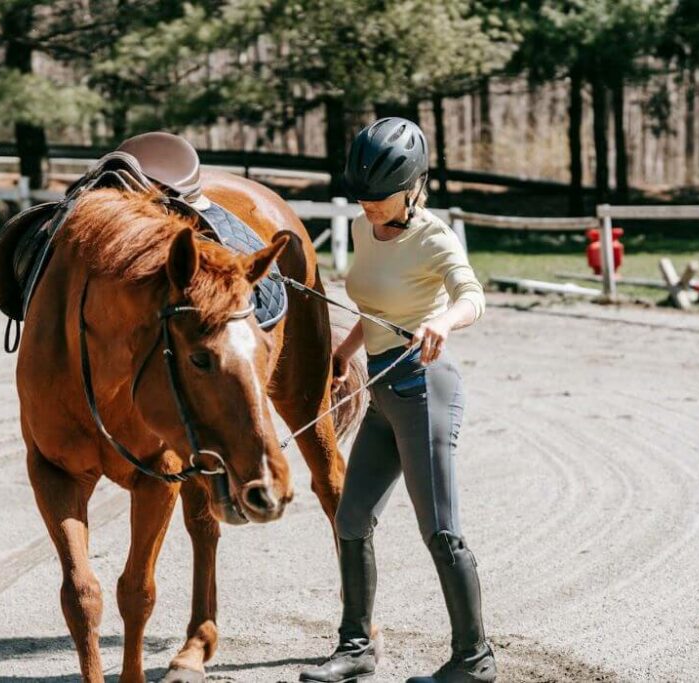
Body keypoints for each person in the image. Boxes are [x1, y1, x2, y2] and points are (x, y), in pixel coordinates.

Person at [299, 117, 494, 683]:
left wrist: (444, 321)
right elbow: (376, 308)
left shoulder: (433, 237)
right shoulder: (365, 229)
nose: (368, 208)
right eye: (361, 198)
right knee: (351, 518)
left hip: (424, 386)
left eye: (380, 199)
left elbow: (472, 294)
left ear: (412, 188)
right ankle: (356, 647)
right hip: (381, 388)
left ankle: (474, 660)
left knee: (441, 529)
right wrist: (347, 351)